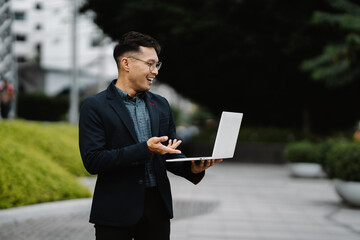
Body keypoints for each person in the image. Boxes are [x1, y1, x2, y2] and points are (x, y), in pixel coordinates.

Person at [78, 31, 222, 240]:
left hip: (157, 208)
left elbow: (170, 154)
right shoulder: (95, 106)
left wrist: (191, 167)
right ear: (126, 63)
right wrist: (144, 149)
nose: (154, 71)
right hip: (115, 209)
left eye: (157, 65)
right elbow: (93, 161)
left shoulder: (161, 104)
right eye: (150, 64)